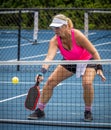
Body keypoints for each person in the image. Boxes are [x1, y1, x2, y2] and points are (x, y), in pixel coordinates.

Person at [28, 14, 106, 121]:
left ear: (65, 26)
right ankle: (40, 110)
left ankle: (88, 111)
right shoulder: (54, 40)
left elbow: (94, 51)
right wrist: (42, 72)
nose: (55, 30)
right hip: (70, 62)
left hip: (87, 60)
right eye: (54, 27)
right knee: (50, 81)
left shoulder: (77, 35)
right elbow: (49, 57)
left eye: (58, 27)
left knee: (87, 83)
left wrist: (99, 67)